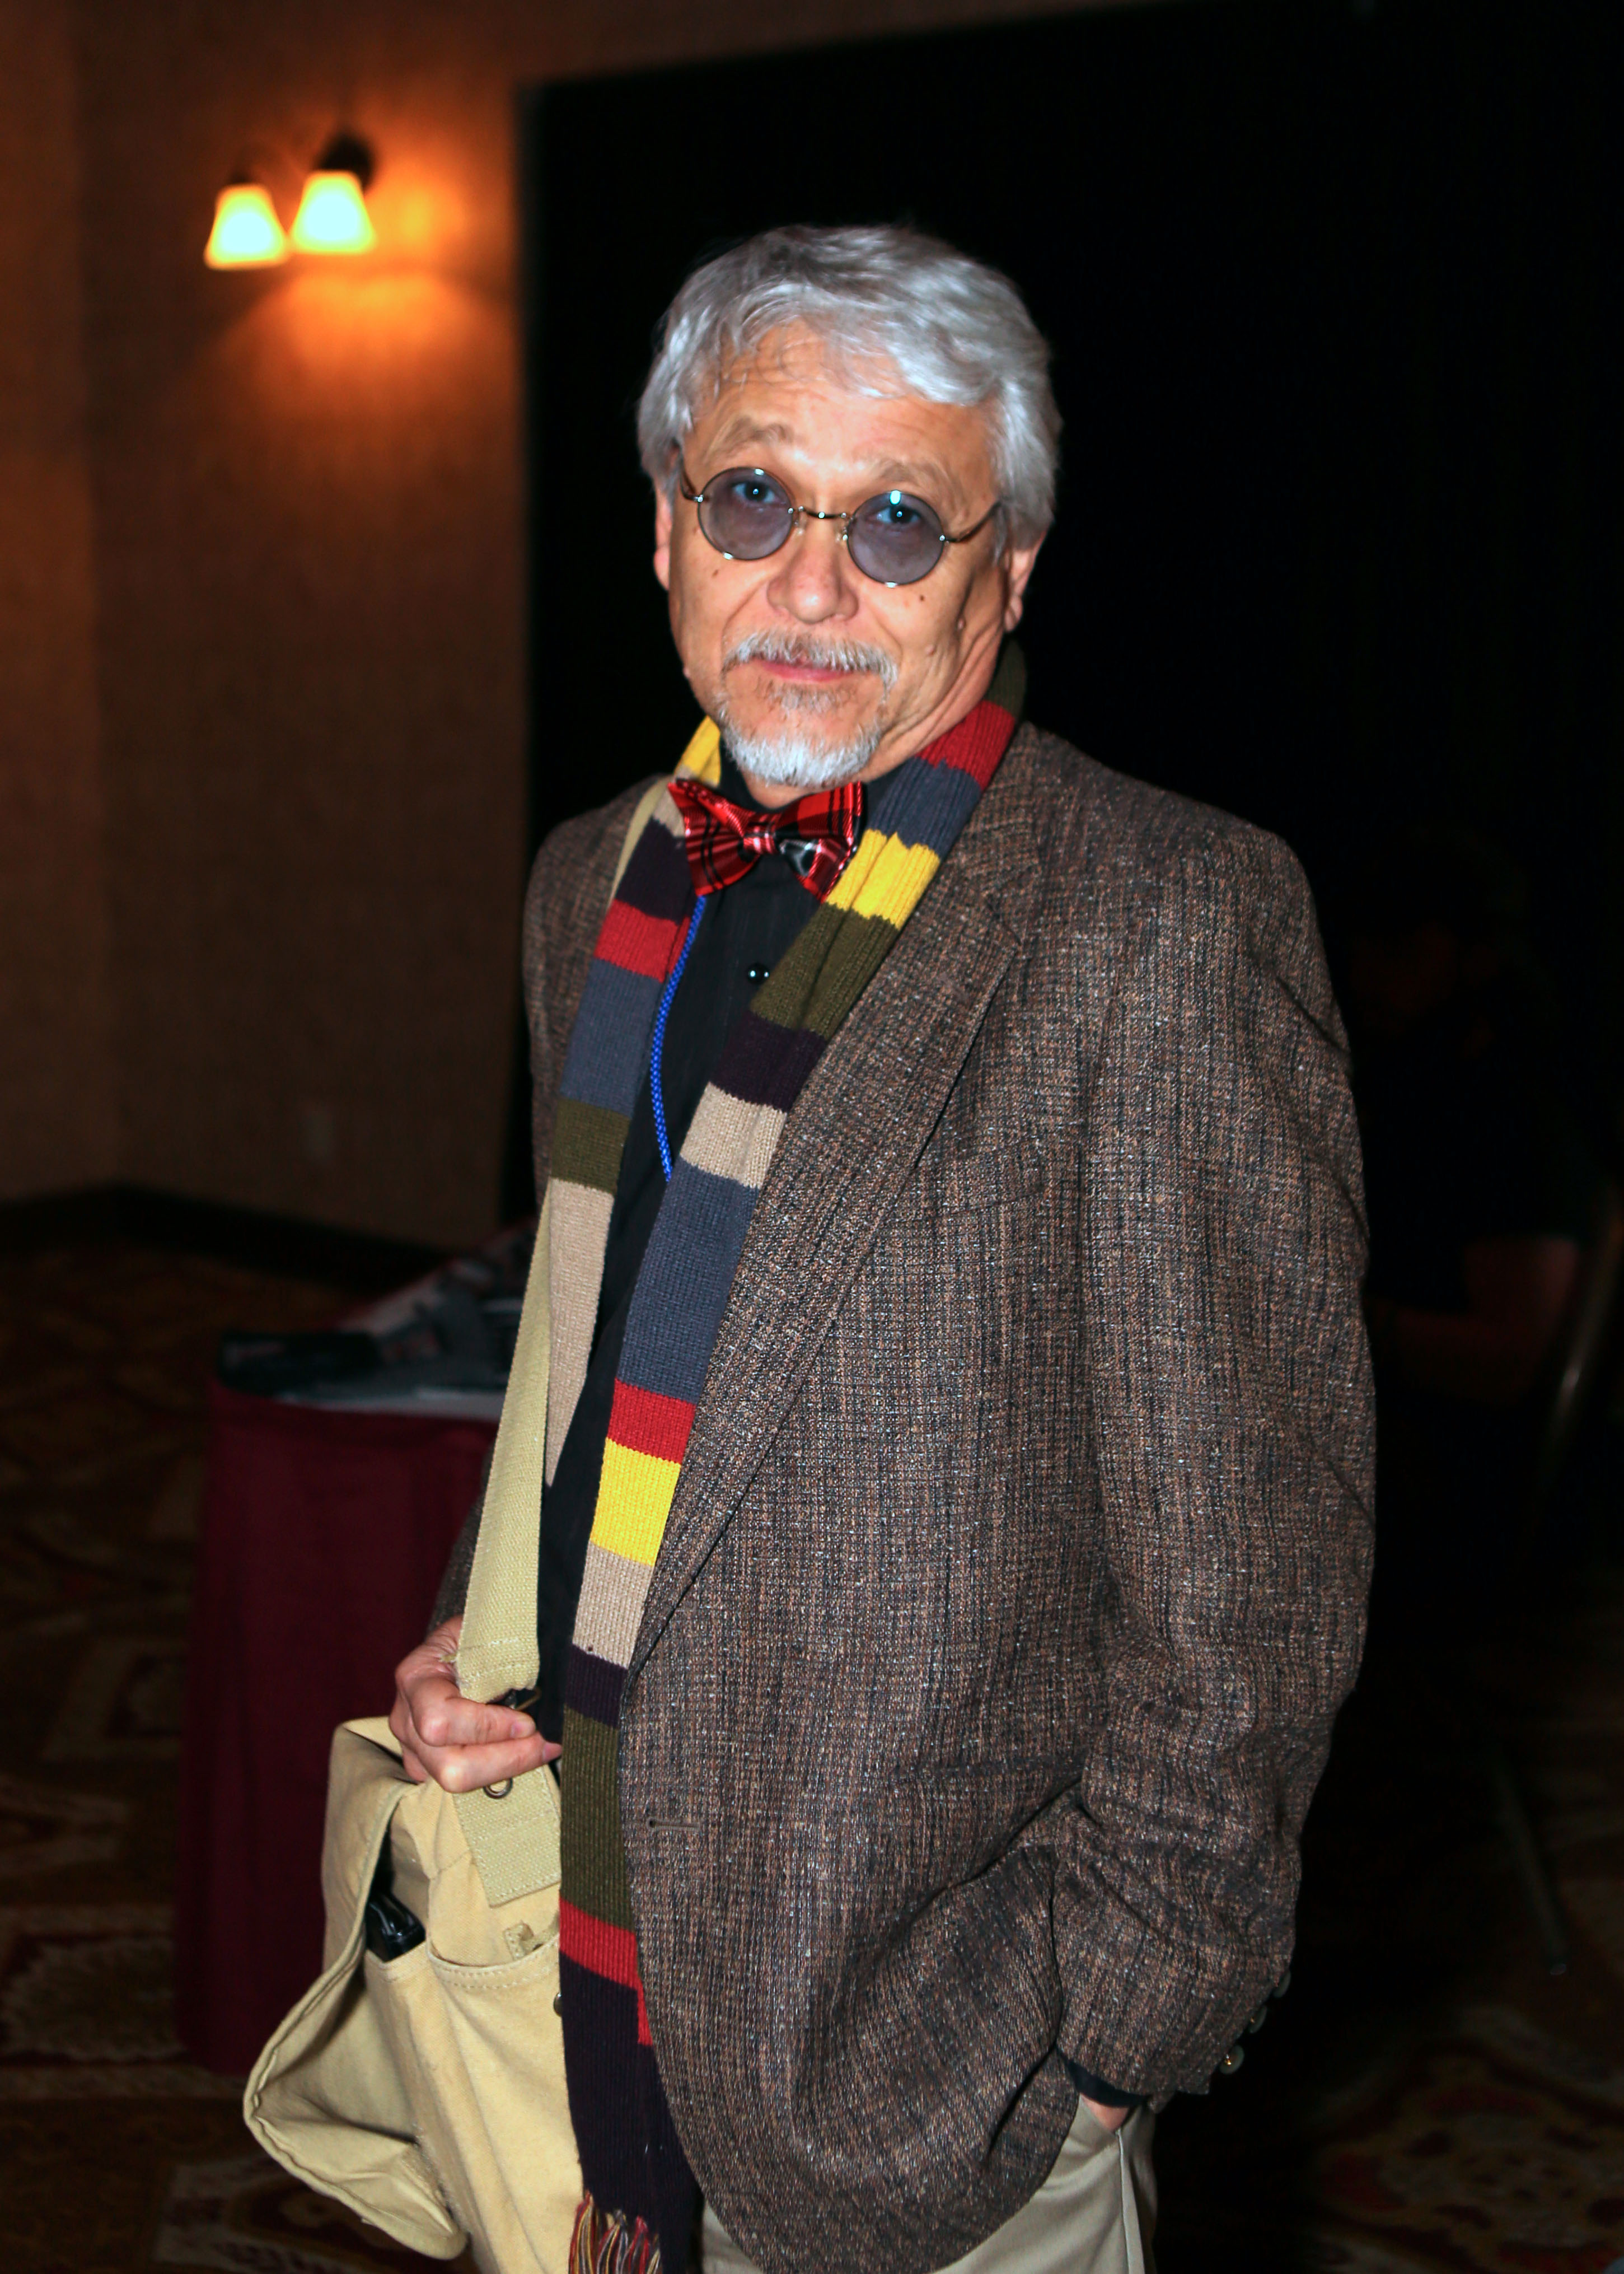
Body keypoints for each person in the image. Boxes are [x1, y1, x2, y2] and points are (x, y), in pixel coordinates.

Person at [389, 226, 1374, 2274]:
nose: (812, 586)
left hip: (936, 2075)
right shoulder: (591, 878)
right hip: (575, 1957)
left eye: (899, 523)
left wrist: (1100, 2043)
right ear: (664, 528)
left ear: (1006, 574)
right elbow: (596, 1349)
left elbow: (1251, 1592)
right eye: (754, 497)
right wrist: (485, 1639)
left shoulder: (1164, 920)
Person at [1344, 827, 1598, 1627]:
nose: (1367, 970)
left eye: (1402, 947)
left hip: (1449, 1497)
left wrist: (1340, 1323)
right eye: (1363, 944)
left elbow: (1510, 1357)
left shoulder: (1511, 1118)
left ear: (1476, 957)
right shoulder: (1397, 1092)